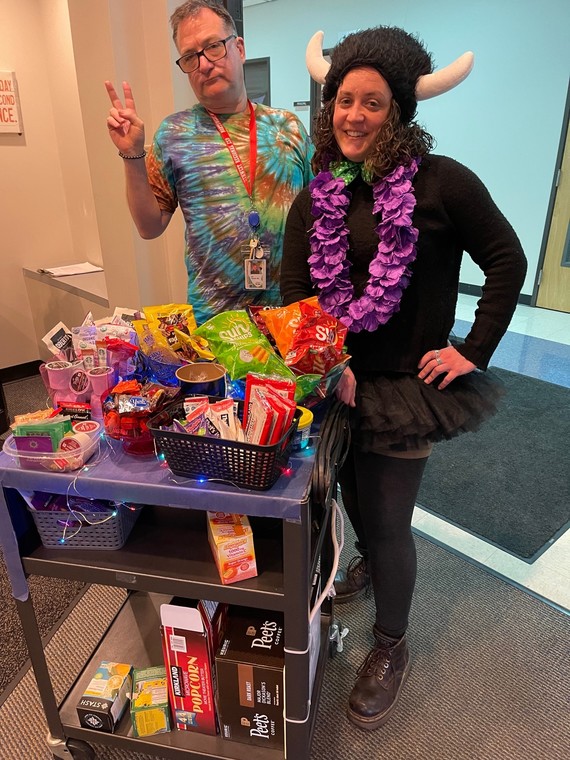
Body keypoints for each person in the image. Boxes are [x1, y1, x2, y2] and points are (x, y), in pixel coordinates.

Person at [281, 26, 526, 730]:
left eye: (374, 103)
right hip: (338, 382)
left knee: (389, 524)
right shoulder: (317, 194)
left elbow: (507, 260)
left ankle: (391, 646)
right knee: (347, 498)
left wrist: (472, 350)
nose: (353, 115)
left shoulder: (443, 182)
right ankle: (365, 566)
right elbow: (296, 290)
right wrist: (331, 363)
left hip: (408, 388)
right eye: (343, 100)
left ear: (401, 112)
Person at [105, 0, 312, 325]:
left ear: (239, 48)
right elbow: (148, 227)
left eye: (213, 47)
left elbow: (322, 219)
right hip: (215, 325)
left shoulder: (289, 128)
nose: (203, 64)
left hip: (291, 318)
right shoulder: (174, 134)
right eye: (190, 56)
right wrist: (132, 155)